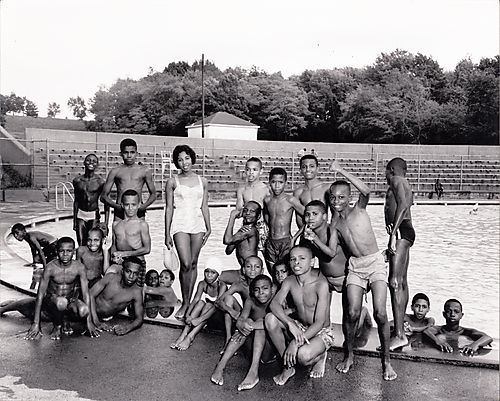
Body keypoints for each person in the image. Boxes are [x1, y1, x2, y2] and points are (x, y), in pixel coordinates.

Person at [328, 160, 397, 381]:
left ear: (349, 198)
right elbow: (330, 250)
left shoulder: (359, 208)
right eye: (333, 197)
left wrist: (341, 171)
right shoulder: (334, 224)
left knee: (380, 313)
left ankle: (386, 362)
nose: (337, 201)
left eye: (341, 197)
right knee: (351, 313)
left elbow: (366, 190)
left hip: (375, 263)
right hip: (356, 267)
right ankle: (349, 355)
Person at [265, 246, 333, 385]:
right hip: (300, 326)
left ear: (312, 262)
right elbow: (274, 305)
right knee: (270, 319)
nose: (297, 263)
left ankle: (320, 356)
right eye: (293, 259)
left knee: (302, 356)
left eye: (302, 259)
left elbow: (319, 322)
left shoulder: (321, 284)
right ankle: (288, 367)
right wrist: (290, 323)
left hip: (320, 332)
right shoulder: (289, 281)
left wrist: (295, 342)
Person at [165, 144, 211, 320]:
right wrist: (167, 233)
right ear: (176, 162)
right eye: (180, 159)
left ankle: (190, 301)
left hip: (197, 223)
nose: (184, 162)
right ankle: (184, 302)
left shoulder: (203, 181)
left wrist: (209, 226)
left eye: (186, 158)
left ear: (192, 158)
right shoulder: (172, 181)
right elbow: (169, 208)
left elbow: (204, 206)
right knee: (185, 263)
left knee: (193, 263)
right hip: (180, 224)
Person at [211, 275, 276, 391]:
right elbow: (241, 319)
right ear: (252, 291)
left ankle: (253, 371)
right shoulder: (250, 301)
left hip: (270, 350)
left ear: (272, 289)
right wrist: (242, 324)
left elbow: (278, 322)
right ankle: (220, 366)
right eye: (257, 289)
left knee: (258, 322)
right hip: (253, 348)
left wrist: (250, 325)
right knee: (247, 321)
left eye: (265, 288)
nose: (261, 293)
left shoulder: (276, 300)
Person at [24, 237, 91, 341]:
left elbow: (86, 294)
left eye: (69, 251)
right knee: (61, 302)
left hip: (69, 301)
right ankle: (57, 326)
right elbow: (40, 295)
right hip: (52, 301)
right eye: (61, 251)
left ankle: (65, 319)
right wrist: (36, 323)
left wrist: (89, 322)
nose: (65, 254)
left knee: (84, 310)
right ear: (56, 251)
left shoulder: (79, 267)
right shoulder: (50, 268)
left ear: (73, 252)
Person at [384, 157, 416, 351]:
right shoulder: (406, 183)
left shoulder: (397, 180)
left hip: (401, 232)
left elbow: (403, 206)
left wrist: (392, 235)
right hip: (406, 231)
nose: (385, 177)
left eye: (386, 172)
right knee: (402, 282)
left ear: (393, 169)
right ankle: (400, 329)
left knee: (394, 282)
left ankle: (399, 335)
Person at [171, 257, 227, 351]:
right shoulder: (202, 284)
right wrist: (188, 315)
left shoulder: (222, 286)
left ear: (218, 274)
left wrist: (199, 319)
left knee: (210, 305)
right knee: (201, 302)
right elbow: (195, 300)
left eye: (213, 273)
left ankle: (190, 337)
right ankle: (184, 334)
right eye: (207, 271)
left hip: (218, 317)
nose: (209, 275)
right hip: (205, 317)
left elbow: (217, 306)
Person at [86, 257, 145, 336]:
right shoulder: (110, 278)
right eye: (128, 271)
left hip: (106, 317)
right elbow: (90, 295)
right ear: (122, 271)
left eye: (135, 273)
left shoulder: (136, 292)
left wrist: (127, 328)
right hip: (88, 310)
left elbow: (139, 319)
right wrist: (96, 322)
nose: (131, 276)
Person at [215, 255, 264, 351]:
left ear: (262, 271)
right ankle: (228, 339)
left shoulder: (265, 284)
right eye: (249, 266)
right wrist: (231, 311)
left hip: (259, 318)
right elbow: (218, 301)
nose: (252, 270)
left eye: (257, 267)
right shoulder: (239, 284)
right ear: (243, 270)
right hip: (244, 315)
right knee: (228, 298)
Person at [100, 138, 156, 220]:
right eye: (126, 152)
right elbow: (104, 196)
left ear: (137, 153)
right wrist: (117, 207)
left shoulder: (144, 170)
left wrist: (143, 206)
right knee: (119, 232)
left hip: (138, 211)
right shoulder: (115, 171)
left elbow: (153, 194)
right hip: (120, 212)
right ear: (121, 154)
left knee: (139, 232)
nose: (129, 155)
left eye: (132, 152)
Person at [263, 167, 304, 274]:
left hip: (286, 241)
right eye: (273, 182)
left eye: (280, 182)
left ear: (285, 183)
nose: (277, 186)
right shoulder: (267, 200)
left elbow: (309, 217)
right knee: (273, 274)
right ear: (269, 182)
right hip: (271, 242)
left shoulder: (290, 200)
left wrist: (294, 237)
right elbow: (268, 218)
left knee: (287, 274)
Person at [111, 189, 151, 287]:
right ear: (122, 205)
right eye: (127, 204)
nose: (130, 208)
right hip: (121, 263)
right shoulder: (116, 225)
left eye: (133, 205)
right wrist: (114, 257)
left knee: (137, 294)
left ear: (139, 205)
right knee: (116, 290)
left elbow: (147, 249)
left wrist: (125, 254)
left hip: (137, 262)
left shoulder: (142, 225)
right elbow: (113, 246)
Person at [424, 299, 492, 356]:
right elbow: (426, 331)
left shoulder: (466, 331)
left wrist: (474, 345)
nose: (452, 314)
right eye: (449, 311)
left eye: (456, 312)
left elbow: (487, 338)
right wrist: (438, 342)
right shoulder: (439, 329)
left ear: (461, 315)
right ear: (444, 314)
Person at [72, 153, 109, 246]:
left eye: (94, 161)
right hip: (81, 214)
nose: (91, 163)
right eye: (88, 160)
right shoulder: (77, 181)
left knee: (93, 243)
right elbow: (76, 201)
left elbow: (106, 203)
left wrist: (106, 223)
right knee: (81, 243)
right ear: (84, 162)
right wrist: (75, 220)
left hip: (93, 215)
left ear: (97, 164)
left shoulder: (100, 182)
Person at [235, 157, 271, 251]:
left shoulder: (266, 189)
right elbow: (239, 210)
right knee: (247, 256)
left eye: (254, 170)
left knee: (267, 256)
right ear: (245, 171)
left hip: (262, 226)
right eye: (248, 169)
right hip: (247, 226)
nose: (251, 172)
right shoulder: (242, 190)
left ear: (261, 171)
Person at [11, 223, 58, 289]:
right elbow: (33, 249)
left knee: (47, 264)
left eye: (17, 233)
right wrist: (34, 262)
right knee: (37, 259)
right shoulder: (27, 237)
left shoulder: (31, 237)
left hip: (54, 245)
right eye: (14, 235)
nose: (16, 236)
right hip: (50, 246)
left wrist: (45, 267)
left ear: (24, 231)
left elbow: (40, 251)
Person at [293, 155, 331, 228]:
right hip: (306, 233)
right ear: (300, 170)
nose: (308, 169)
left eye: (311, 166)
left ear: (317, 169)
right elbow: (299, 218)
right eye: (304, 167)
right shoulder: (298, 192)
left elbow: (335, 214)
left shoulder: (326, 188)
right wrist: (306, 232)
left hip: (323, 234)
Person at [223, 201, 260, 270]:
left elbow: (227, 240)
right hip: (245, 269)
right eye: (245, 210)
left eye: (252, 211)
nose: (248, 213)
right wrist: (237, 235)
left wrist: (232, 217)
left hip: (251, 270)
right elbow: (228, 251)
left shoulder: (250, 230)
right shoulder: (242, 232)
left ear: (258, 216)